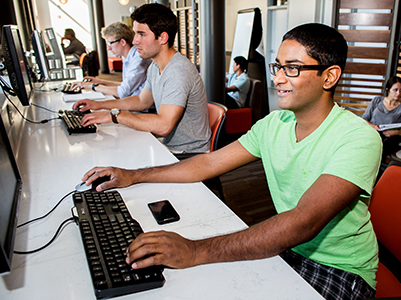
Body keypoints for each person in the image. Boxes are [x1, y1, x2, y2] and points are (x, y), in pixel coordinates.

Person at [80, 23, 382, 300]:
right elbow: (208, 164)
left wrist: (195, 250)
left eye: (292, 68)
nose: (277, 78)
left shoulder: (357, 138)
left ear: (329, 76)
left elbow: (302, 222)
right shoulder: (275, 123)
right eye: (278, 66)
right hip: (290, 248)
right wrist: (135, 175)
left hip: (341, 271)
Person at [72, 4, 211, 154]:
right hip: (170, 146)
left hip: (188, 154)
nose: (134, 41)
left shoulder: (178, 71)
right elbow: (141, 101)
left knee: (115, 157)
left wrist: (115, 115)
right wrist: (100, 105)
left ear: (163, 37)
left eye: (142, 34)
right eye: (135, 34)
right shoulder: (155, 66)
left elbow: (164, 126)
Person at [71, 22, 151, 99]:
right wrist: (100, 82)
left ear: (122, 42)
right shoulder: (128, 57)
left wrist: (92, 86)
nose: (108, 48)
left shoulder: (139, 58)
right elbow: (125, 85)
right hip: (134, 103)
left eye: (110, 43)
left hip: (142, 109)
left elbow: (122, 92)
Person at [362, 76, 401, 159]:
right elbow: (364, 119)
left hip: (388, 140)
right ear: (388, 89)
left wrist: (396, 132)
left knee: (376, 149)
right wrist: (374, 126)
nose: (398, 93)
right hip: (372, 134)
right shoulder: (377, 101)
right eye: (395, 90)